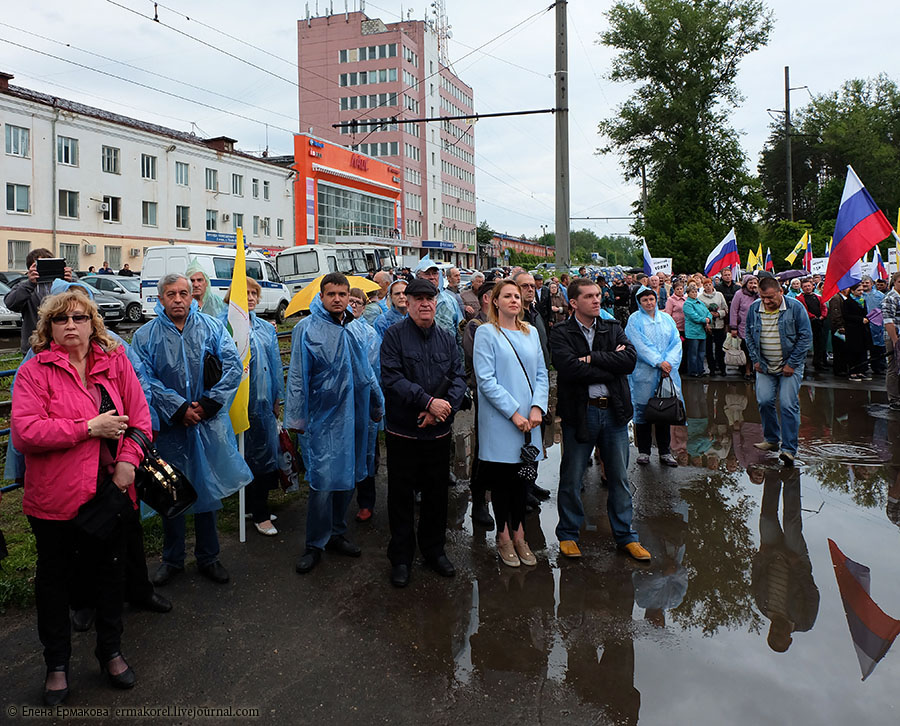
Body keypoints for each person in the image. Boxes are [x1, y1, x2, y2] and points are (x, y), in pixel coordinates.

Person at [12, 289, 153, 702]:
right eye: (61, 319)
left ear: (94, 323)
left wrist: (128, 463)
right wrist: (87, 428)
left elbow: (140, 419)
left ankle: (110, 651)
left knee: (111, 576)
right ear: (48, 329)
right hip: (54, 501)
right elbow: (25, 433)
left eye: (79, 317)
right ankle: (57, 664)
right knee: (55, 584)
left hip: (110, 494)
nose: (70, 325)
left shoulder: (115, 363)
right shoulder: (35, 372)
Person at [131, 273, 251, 586]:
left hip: (207, 424)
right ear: (160, 299)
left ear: (192, 296)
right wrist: (178, 408)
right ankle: (172, 560)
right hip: (172, 428)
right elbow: (143, 379)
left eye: (183, 293)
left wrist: (209, 403)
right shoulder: (145, 336)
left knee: (206, 488)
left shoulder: (211, 327)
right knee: (172, 490)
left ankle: (208, 557)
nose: (178, 299)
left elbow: (232, 366)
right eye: (171, 294)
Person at [286, 273, 382, 573]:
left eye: (342, 294)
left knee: (349, 477)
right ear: (322, 296)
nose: (338, 299)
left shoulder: (354, 329)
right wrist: (297, 417)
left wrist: (377, 404)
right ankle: (314, 543)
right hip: (322, 418)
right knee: (322, 483)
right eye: (332, 294)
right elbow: (299, 376)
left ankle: (337, 533)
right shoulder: (307, 328)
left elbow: (367, 372)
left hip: (354, 416)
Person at [551, 278, 650, 562]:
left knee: (618, 477)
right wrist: (609, 363)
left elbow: (629, 362)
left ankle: (626, 536)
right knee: (571, 476)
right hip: (580, 413)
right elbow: (568, 369)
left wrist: (591, 359)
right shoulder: (561, 332)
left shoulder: (612, 327)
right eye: (590, 296)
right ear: (573, 302)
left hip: (614, 412)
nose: (597, 300)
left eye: (598, 295)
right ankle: (568, 535)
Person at [380, 278, 466, 587]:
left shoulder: (446, 338)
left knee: (437, 496)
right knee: (401, 497)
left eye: (429, 298)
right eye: (417, 298)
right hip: (404, 432)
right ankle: (401, 557)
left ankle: (434, 550)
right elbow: (392, 378)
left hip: (438, 434)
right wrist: (427, 401)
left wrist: (443, 409)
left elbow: (458, 376)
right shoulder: (393, 336)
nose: (425, 303)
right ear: (408, 303)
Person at [473, 279, 549, 567]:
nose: (514, 300)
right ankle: (503, 537)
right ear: (495, 301)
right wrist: (514, 413)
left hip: (531, 421)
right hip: (501, 421)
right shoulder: (486, 333)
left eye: (517, 296)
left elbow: (542, 373)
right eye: (507, 296)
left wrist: (536, 408)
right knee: (503, 483)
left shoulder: (530, 333)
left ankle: (521, 535)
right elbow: (486, 380)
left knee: (523, 483)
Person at [221, 278, 284, 535]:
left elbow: (275, 364)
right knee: (246, 456)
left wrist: (277, 397)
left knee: (265, 457)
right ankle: (257, 512)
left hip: (263, 402)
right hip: (239, 404)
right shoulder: (225, 327)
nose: (249, 297)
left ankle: (257, 508)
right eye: (243, 292)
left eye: (253, 293)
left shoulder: (266, 329)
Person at [744, 275, 812, 467]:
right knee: (764, 401)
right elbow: (748, 334)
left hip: (790, 365)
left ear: (781, 292)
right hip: (764, 366)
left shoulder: (795, 307)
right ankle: (772, 439)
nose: (766, 301)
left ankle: (789, 449)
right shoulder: (754, 309)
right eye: (763, 297)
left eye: (770, 298)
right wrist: (755, 360)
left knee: (788, 403)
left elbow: (805, 336)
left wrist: (792, 364)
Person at [625, 287, 683, 467]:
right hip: (644, 373)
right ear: (639, 302)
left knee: (664, 411)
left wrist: (669, 363)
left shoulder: (666, 318)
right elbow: (639, 344)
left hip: (667, 373)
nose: (649, 303)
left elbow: (676, 342)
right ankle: (644, 450)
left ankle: (665, 452)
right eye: (645, 300)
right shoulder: (634, 320)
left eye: (651, 299)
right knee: (643, 412)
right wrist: (658, 361)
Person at [347, 287, 384, 523]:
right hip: (340, 403)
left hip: (364, 401)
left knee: (367, 452)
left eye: (357, 302)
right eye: (349, 301)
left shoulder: (369, 333)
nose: (353, 305)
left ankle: (366, 501)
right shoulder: (335, 330)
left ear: (364, 306)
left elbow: (369, 370)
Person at [463, 280, 496, 529]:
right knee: (483, 450)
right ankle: (480, 502)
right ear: (487, 298)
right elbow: (481, 360)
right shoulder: (475, 326)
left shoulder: (507, 324)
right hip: (485, 394)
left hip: (510, 394)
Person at [4, 247, 75, 353]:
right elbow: (11, 303)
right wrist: (30, 284)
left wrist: (71, 283)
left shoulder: (64, 285)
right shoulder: (25, 287)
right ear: (30, 268)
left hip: (63, 345)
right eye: (40, 265)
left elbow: (86, 302)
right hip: (35, 346)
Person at [415, 258, 463, 351]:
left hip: (446, 355)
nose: (432, 277)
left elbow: (460, 333)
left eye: (435, 273)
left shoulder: (450, 301)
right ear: (418, 277)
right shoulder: (411, 300)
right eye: (427, 274)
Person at [729, 274, 759, 380]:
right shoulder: (739, 294)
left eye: (755, 283)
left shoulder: (759, 295)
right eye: (750, 283)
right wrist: (733, 327)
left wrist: (757, 293)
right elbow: (733, 311)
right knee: (746, 350)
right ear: (745, 284)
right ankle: (747, 370)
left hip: (757, 327)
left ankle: (757, 370)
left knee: (757, 350)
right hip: (743, 327)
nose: (753, 285)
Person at [797, 279, 828, 372]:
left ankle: (818, 363)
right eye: (805, 286)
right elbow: (803, 309)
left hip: (819, 323)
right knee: (804, 344)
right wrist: (813, 317)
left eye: (809, 286)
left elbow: (824, 307)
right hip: (807, 323)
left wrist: (823, 316)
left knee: (819, 343)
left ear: (812, 286)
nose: (807, 288)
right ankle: (803, 363)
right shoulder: (799, 298)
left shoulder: (818, 297)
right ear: (802, 288)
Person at [699, 276, 728, 375]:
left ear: (712, 285)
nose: (708, 287)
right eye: (706, 285)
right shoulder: (700, 298)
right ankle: (711, 369)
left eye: (709, 284)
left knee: (720, 348)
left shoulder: (719, 295)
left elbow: (725, 308)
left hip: (719, 325)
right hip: (708, 326)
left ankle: (722, 368)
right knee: (709, 349)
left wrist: (719, 313)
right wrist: (707, 317)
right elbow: (700, 312)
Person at [842, 282, 870, 381]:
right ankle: (852, 372)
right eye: (858, 290)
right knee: (853, 351)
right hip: (852, 330)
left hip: (862, 329)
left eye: (862, 290)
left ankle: (861, 370)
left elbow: (865, 313)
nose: (861, 292)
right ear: (852, 291)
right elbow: (846, 316)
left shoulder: (862, 301)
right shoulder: (847, 302)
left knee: (862, 350)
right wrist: (859, 319)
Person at [682, 282, 710, 377]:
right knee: (693, 353)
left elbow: (707, 312)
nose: (694, 293)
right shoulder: (687, 304)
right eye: (692, 292)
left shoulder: (700, 302)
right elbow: (693, 316)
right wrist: (704, 320)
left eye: (695, 292)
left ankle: (700, 369)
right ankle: (693, 371)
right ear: (688, 293)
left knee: (701, 353)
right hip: (693, 332)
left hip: (702, 331)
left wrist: (708, 318)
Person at [882, 272, 900, 410]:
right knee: (893, 367)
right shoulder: (891, 297)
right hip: (894, 337)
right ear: (894, 282)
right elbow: (888, 321)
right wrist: (895, 340)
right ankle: (894, 399)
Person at [862, 276, 886, 375]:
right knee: (866, 346)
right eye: (863, 283)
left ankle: (879, 366)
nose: (864, 284)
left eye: (867, 282)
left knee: (878, 347)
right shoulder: (859, 295)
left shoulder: (880, 295)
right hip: (864, 324)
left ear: (872, 284)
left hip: (877, 326)